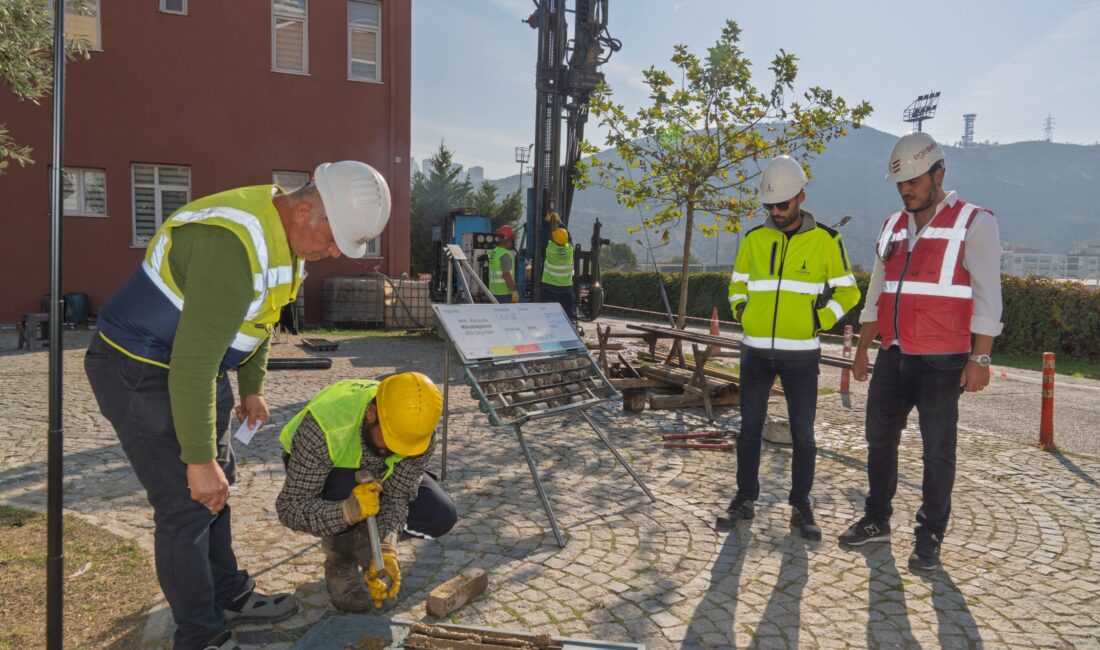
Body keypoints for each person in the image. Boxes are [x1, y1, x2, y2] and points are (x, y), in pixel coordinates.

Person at [84, 161, 391, 650]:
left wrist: (251, 386)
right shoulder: (229, 246)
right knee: (187, 503)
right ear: (306, 211)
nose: (334, 253)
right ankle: (200, 635)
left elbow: (262, 317)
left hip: (195, 365)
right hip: (141, 368)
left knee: (218, 489)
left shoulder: (286, 240)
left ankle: (228, 593)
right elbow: (190, 366)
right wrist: (198, 459)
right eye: (335, 239)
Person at [838, 133, 1002, 571]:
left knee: (937, 451)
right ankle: (877, 519)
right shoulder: (892, 225)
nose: (906, 190)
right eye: (900, 183)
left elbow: (988, 296)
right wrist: (863, 349)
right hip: (893, 354)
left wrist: (980, 358)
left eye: (914, 181)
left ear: (938, 174)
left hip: (942, 361)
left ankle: (929, 535)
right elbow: (878, 291)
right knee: (879, 440)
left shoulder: (975, 222)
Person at [719, 155, 860, 540]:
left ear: (801, 197)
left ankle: (801, 505)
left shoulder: (827, 241)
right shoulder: (753, 239)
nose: (776, 212)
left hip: (800, 355)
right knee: (749, 429)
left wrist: (820, 319)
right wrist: (742, 311)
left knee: (803, 434)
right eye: (769, 206)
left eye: (782, 204)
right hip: (754, 352)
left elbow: (849, 292)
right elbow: (737, 285)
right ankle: (744, 497)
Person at [275, 373, 456, 611]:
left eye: (403, 445)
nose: (396, 450)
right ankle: (341, 560)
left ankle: (368, 541)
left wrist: (386, 548)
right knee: (343, 488)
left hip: (376, 476)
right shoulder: (324, 426)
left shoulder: (417, 432)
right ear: (371, 413)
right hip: (326, 474)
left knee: (439, 515)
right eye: (390, 439)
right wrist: (346, 511)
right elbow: (290, 508)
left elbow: (398, 496)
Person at [541, 227, 576, 323]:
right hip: (566, 288)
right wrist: (561, 224)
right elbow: (570, 238)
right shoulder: (570, 250)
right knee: (567, 315)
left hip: (550, 287)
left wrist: (546, 222)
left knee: (548, 314)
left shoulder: (550, 249)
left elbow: (543, 238)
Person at [487, 225, 520, 303]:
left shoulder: (493, 252)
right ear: (507, 240)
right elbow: (506, 274)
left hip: (493, 292)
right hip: (504, 293)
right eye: (511, 240)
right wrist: (514, 290)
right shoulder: (504, 255)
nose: (511, 243)